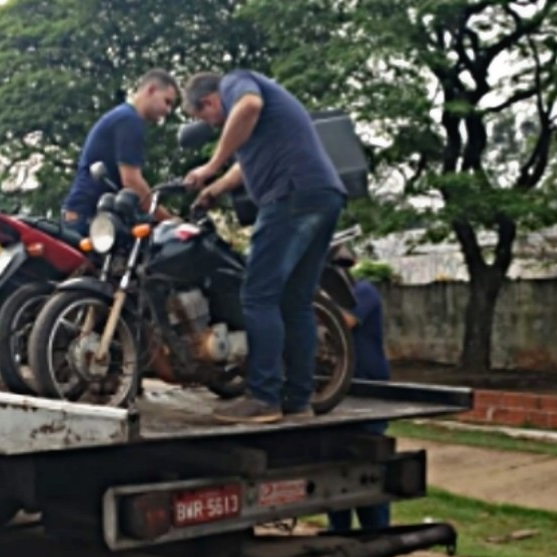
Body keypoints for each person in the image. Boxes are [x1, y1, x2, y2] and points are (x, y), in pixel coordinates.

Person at [182, 69, 348, 424]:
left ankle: (264, 397)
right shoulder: (259, 120)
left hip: (290, 196)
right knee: (296, 301)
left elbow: (249, 106)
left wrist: (210, 166)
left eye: (204, 117)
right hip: (323, 195)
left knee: (258, 295)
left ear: (210, 100)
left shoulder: (235, 83)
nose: (211, 125)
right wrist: (214, 189)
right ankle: (299, 402)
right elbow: (244, 166)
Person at [327, 272, 394, 557]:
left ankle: (378, 554)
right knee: (332, 466)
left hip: (368, 394)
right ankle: (339, 544)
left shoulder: (364, 292)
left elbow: (344, 322)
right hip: (336, 393)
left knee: (366, 471)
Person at [60, 69, 180, 237]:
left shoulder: (123, 115)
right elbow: (131, 181)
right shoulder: (130, 120)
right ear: (151, 90)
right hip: (90, 219)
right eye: (167, 102)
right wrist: (169, 221)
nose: (168, 111)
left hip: (88, 215)